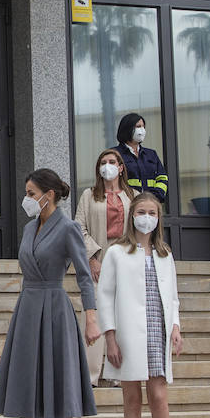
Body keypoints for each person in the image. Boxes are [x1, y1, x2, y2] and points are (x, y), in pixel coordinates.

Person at [0, 169, 97, 418]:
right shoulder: (27, 227)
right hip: (27, 308)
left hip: (55, 309)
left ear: (48, 195)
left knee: (60, 392)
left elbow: (83, 275)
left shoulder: (68, 228)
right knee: (28, 393)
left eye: (32, 192)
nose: (27, 198)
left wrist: (91, 318)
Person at [95, 193, 184, 418]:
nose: (147, 217)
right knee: (132, 398)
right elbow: (105, 295)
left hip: (158, 330)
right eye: (141, 211)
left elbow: (172, 296)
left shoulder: (164, 254)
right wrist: (110, 337)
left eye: (152, 212)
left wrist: (176, 327)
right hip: (128, 333)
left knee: (159, 396)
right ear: (132, 215)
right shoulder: (117, 252)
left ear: (159, 218)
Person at [75, 148, 134, 384]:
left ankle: (119, 372)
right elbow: (78, 227)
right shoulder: (89, 195)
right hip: (98, 261)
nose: (107, 166)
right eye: (102, 162)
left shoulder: (133, 195)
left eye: (112, 162)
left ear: (121, 167)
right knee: (94, 314)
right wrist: (92, 258)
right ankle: (91, 374)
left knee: (123, 315)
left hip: (126, 261)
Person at [112, 113, 167, 203]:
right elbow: (112, 182)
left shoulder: (151, 154)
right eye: (138, 126)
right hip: (126, 206)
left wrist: (155, 197)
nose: (142, 130)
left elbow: (162, 178)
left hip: (151, 205)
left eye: (143, 126)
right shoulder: (115, 154)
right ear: (127, 129)